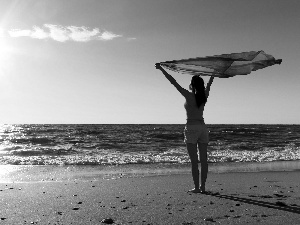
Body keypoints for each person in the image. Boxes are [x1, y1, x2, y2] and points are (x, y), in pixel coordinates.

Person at [155, 63, 214, 193]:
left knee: (194, 162)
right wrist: (214, 73)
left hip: (191, 127)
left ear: (192, 84)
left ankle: (197, 188)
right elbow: (210, 84)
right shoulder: (204, 95)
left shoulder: (188, 95)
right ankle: (203, 187)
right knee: (204, 160)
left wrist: (161, 69)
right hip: (203, 128)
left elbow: (173, 82)